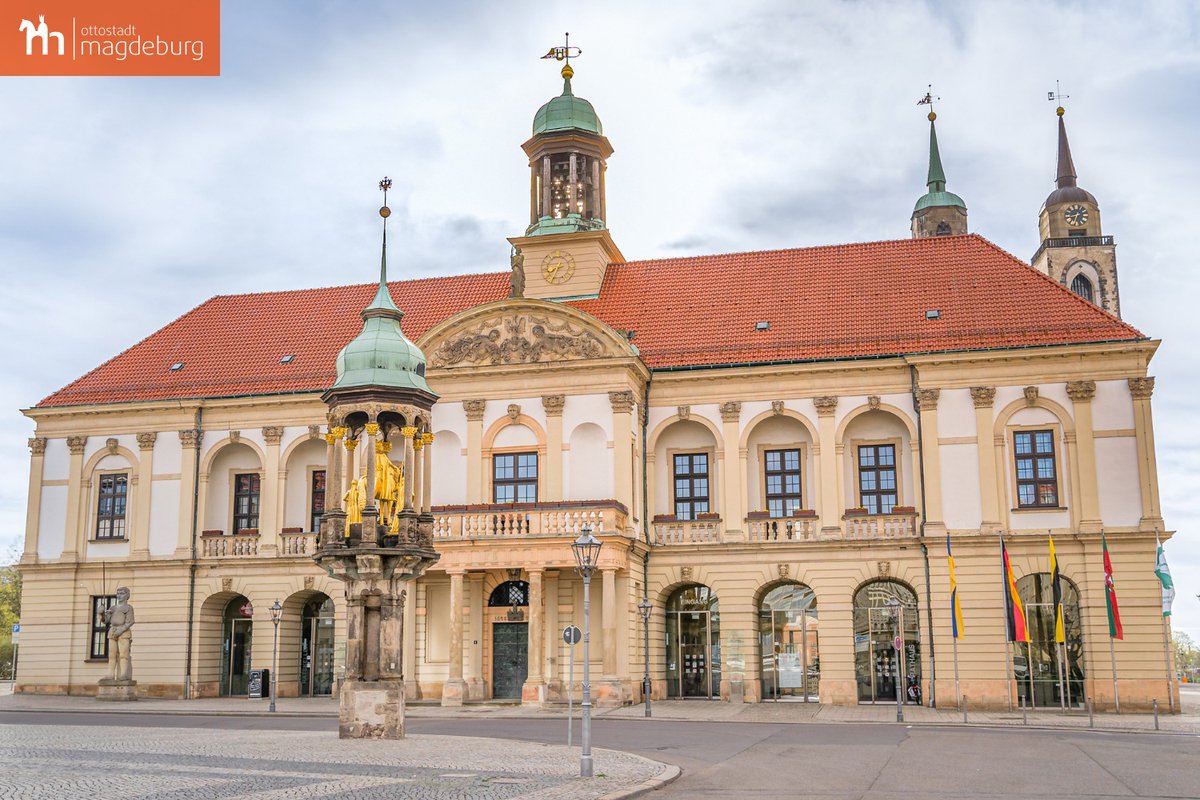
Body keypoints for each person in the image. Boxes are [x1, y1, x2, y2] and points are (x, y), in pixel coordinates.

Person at [102, 587, 135, 681]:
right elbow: (106, 621)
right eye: (118, 593)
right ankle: (110, 674)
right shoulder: (112, 608)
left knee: (123, 655)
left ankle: (123, 674)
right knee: (112, 655)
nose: (119, 595)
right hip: (112, 631)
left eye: (122, 593)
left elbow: (130, 621)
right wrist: (101, 614)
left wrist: (121, 630)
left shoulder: (128, 608)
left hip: (123, 632)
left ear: (127, 595)